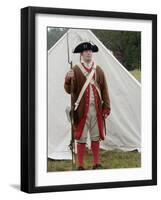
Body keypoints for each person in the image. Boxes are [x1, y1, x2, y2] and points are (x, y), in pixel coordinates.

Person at [64, 42, 111, 170]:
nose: (89, 53)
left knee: (96, 136)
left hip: (96, 110)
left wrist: (106, 107)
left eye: (90, 51)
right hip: (80, 110)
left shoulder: (98, 70)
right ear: (81, 54)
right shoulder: (75, 70)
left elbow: (104, 90)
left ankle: (96, 163)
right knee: (81, 137)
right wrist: (68, 79)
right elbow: (69, 90)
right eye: (86, 51)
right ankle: (80, 165)